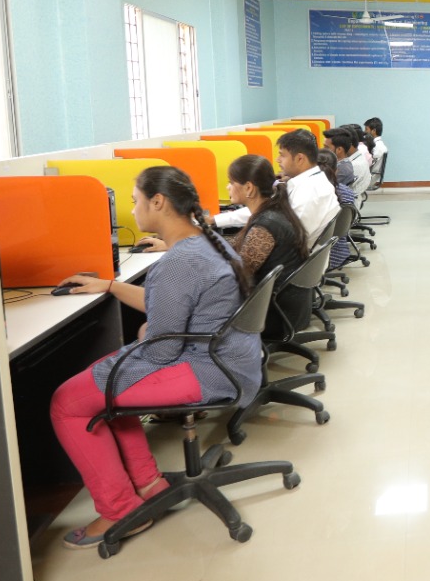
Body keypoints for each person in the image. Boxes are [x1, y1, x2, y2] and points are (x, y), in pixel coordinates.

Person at [49, 166, 260, 550]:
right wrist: (111, 286)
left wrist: (147, 332)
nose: (133, 210)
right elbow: (172, 302)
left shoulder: (179, 262)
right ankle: (148, 483)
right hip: (231, 360)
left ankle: (120, 510)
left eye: (135, 201)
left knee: (67, 402)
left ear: (158, 202)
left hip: (207, 369)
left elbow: (162, 349)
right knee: (105, 382)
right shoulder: (208, 242)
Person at [223, 154, 310, 338]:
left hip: (274, 316)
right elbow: (237, 244)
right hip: (287, 307)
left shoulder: (266, 225)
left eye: (231, 182)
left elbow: (237, 274)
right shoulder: (272, 211)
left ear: (249, 188)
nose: (227, 187)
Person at [207, 129, 337, 246]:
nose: (277, 160)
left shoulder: (309, 192)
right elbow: (263, 210)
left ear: (299, 159)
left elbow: (285, 234)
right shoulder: (312, 182)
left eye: (282, 155)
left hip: (292, 258)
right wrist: (215, 219)